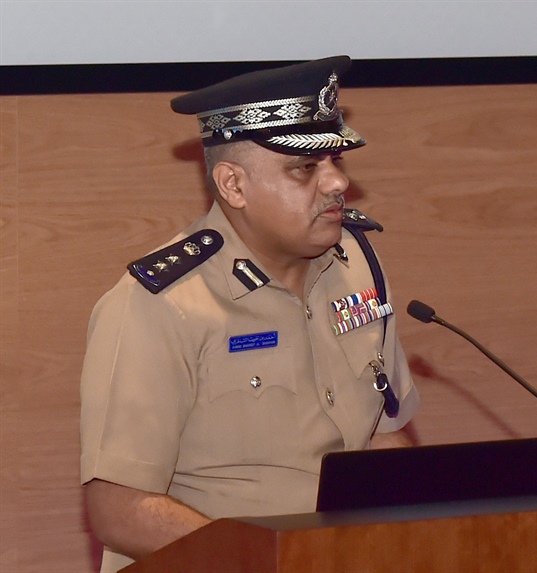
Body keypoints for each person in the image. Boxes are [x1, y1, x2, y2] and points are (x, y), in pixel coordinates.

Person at [80, 55, 420, 572]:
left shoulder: (357, 268)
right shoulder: (160, 304)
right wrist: (280, 561)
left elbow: (382, 431)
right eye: (305, 167)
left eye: (336, 161)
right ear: (233, 185)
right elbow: (120, 511)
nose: (336, 183)